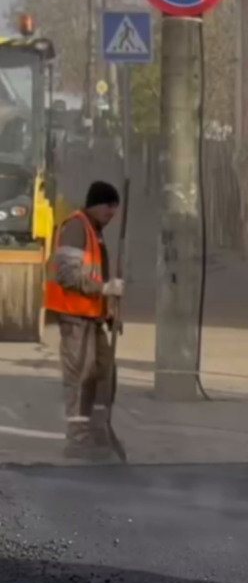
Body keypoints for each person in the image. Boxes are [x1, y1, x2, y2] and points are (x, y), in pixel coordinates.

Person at [45, 181, 124, 461]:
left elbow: (95, 275)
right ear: (96, 204)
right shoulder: (77, 228)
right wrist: (105, 289)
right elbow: (68, 276)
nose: (111, 215)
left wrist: (109, 308)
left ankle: (99, 429)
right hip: (74, 316)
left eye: (115, 210)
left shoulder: (95, 230)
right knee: (80, 377)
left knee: (105, 374)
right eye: (108, 209)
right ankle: (77, 439)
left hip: (93, 316)